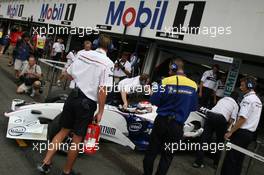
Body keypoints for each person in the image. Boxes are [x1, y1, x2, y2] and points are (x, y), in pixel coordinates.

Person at [37, 34, 114, 175]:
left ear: (96, 43)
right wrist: (101, 111)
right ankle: (66, 171)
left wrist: (83, 78)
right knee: (77, 138)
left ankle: (45, 163)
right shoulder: (108, 63)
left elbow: (69, 74)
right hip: (87, 103)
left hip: (73, 96)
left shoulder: (82, 54)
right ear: (110, 48)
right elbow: (103, 90)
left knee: (63, 131)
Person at [143, 58, 198, 175]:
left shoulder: (165, 81)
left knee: (152, 152)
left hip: (162, 121)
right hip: (177, 125)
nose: (168, 72)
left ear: (173, 68)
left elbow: (154, 100)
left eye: (169, 69)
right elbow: (193, 107)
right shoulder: (194, 86)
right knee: (167, 156)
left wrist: (154, 93)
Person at [221, 76, 262, 175]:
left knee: (231, 159)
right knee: (239, 160)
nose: (240, 87)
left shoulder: (248, 99)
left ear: (249, 86)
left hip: (242, 133)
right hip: (249, 134)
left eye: (243, 85)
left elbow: (243, 118)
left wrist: (231, 131)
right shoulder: (258, 100)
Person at [192, 91, 239, 168]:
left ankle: (198, 162)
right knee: (220, 142)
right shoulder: (235, 105)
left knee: (204, 139)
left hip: (210, 115)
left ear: (230, 95)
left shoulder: (223, 99)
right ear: (237, 99)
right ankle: (216, 164)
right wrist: (227, 130)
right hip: (221, 118)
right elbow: (232, 119)